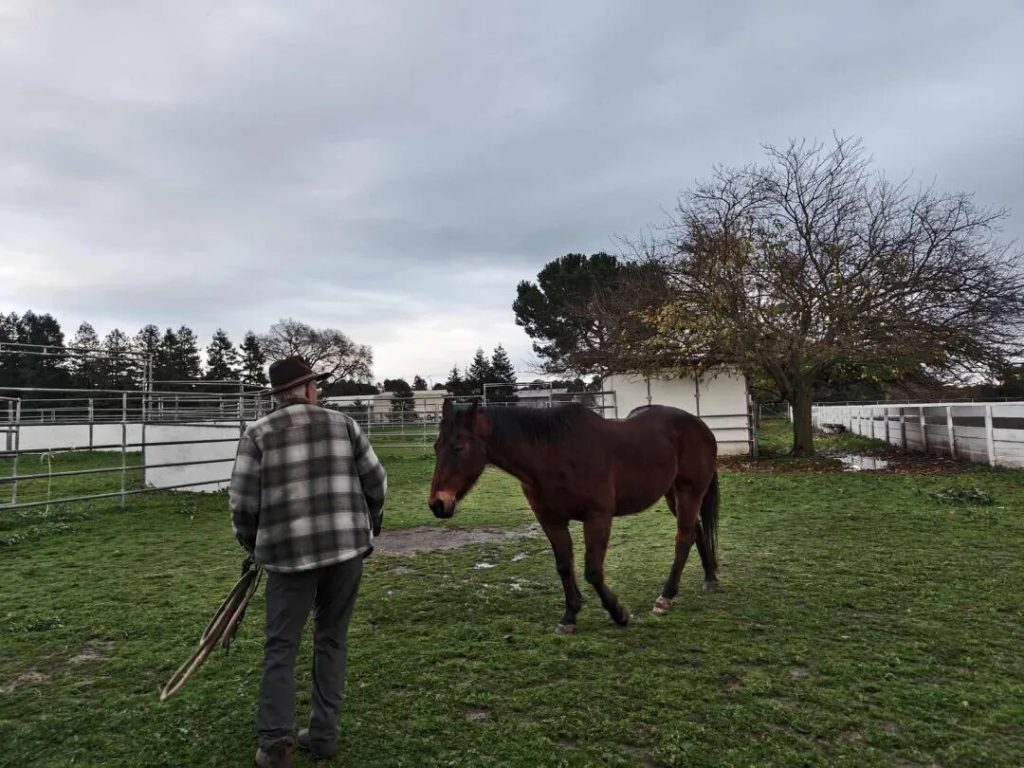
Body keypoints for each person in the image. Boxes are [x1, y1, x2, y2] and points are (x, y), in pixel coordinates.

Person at [229, 355, 387, 768]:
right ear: (310, 389)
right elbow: (377, 480)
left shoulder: (258, 434)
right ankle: (323, 736)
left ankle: (277, 743)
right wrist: (371, 522)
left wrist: (254, 546)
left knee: (281, 646)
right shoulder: (344, 425)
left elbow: (243, 504)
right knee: (332, 638)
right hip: (346, 550)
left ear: (278, 395)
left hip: (288, 558)